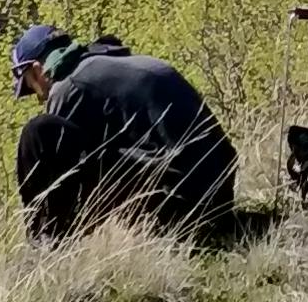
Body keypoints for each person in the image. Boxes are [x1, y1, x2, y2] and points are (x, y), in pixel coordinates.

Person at [12, 24, 237, 239]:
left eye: (31, 86)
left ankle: (48, 244)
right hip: (219, 197)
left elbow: (65, 173)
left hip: (183, 206)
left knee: (39, 133)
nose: (40, 97)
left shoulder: (70, 86)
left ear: (37, 70)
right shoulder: (117, 65)